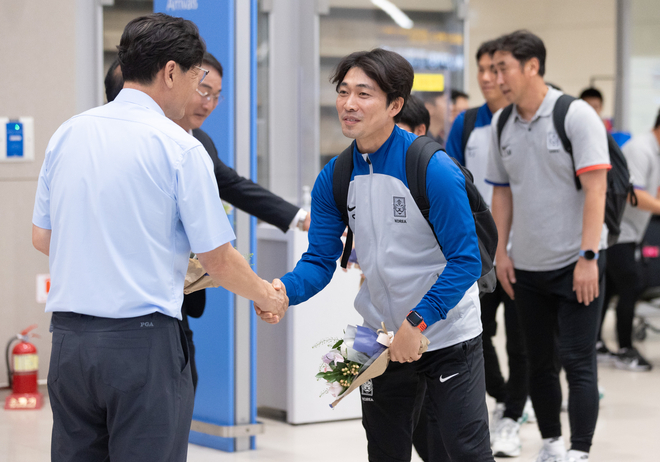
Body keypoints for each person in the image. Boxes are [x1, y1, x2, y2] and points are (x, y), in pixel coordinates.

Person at [32, 13, 287, 462]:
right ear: (171, 71)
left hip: (70, 344)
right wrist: (267, 297)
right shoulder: (179, 146)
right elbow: (219, 260)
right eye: (197, 80)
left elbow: (41, 236)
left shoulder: (68, 133)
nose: (197, 94)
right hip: (141, 345)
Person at [278, 48, 493, 461]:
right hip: (375, 334)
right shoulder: (336, 175)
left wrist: (418, 320)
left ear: (395, 105)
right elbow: (320, 260)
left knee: (465, 451)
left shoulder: (433, 167)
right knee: (384, 450)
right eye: (343, 92)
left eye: (364, 93)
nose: (349, 104)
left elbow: (466, 258)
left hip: (447, 332)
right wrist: (282, 292)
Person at [105, 52, 309, 391]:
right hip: (134, 297)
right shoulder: (136, 141)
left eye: (217, 94)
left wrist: (301, 218)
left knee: (182, 383)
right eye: (203, 90)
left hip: (175, 297)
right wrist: (266, 296)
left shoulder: (199, 143)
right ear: (173, 80)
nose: (209, 103)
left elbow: (233, 185)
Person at [487, 30, 610, 462]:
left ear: (532, 66)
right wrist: (501, 252)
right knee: (538, 361)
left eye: (503, 68)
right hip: (527, 265)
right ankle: (552, 443)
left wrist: (588, 256)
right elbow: (502, 193)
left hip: (578, 261)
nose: (495, 77)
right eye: (491, 69)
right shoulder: (501, 124)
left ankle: (579, 450)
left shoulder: (574, 115)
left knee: (578, 360)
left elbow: (597, 189)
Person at [445, 38, 528, 458]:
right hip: (479, 251)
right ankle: (505, 397)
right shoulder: (467, 122)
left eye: (494, 69)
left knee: (522, 337)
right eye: (480, 69)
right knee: (479, 331)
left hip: (524, 249)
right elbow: (453, 181)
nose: (486, 77)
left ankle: (513, 411)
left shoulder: (524, 118)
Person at [596, 109, 660, 371]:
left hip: (630, 232)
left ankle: (596, 343)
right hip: (617, 231)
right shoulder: (641, 149)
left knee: (611, 287)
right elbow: (634, 194)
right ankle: (625, 348)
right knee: (631, 285)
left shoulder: (654, 151)